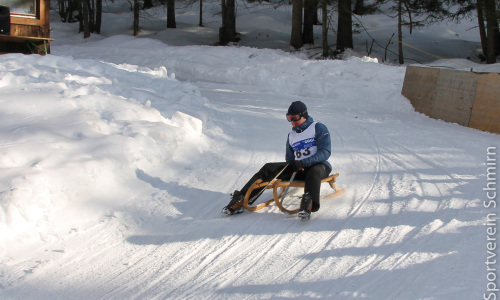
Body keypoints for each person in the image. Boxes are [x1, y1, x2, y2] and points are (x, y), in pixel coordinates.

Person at [222, 101, 332, 220]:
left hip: (320, 167)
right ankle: (242, 199)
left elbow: (325, 152)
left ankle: (309, 204)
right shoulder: (291, 135)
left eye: (294, 117)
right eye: (289, 118)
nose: (292, 121)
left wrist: (304, 162)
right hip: (299, 168)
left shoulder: (317, 127)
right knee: (268, 168)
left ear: (304, 115)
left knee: (314, 171)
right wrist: (291, 167)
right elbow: (289, 159)